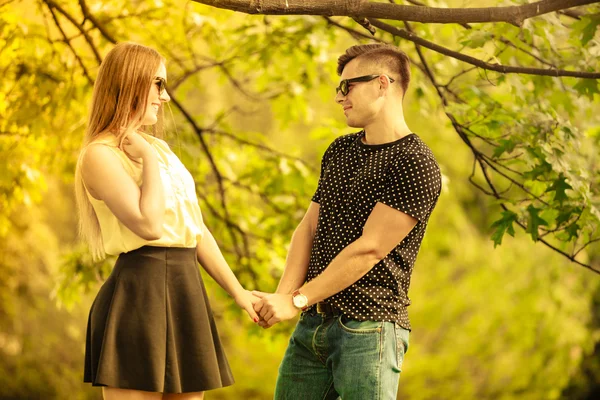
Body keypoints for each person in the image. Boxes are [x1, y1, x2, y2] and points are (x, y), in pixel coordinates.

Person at [253, 44, 442, 399]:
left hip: (369, 330)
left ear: (383, 84)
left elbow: (369, 250)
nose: (340, 97)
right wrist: (283, 297)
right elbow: (308, 228)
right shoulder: (340, 150)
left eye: (348, 86)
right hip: (312, 324)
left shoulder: (414, 162)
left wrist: (295, 300)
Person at [74, 42, 259, 400]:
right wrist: (147, 158)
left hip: (186, 290)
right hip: (139, 294)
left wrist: (240, 294)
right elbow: (149, 225)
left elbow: (196, 229)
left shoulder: (160, 150)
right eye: (159, 84)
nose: (166, 96)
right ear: (132, 81)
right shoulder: (99, 156)